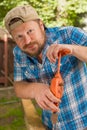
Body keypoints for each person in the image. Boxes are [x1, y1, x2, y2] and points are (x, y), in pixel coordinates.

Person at [4, 5, 87, 130]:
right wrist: (36, 89)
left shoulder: (68, 35)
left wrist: (73, 49)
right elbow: (18, 86)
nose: (27, 41)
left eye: (30, 31)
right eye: (19, 37)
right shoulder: (19, 53)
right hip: (50, 125)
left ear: (41, 25)